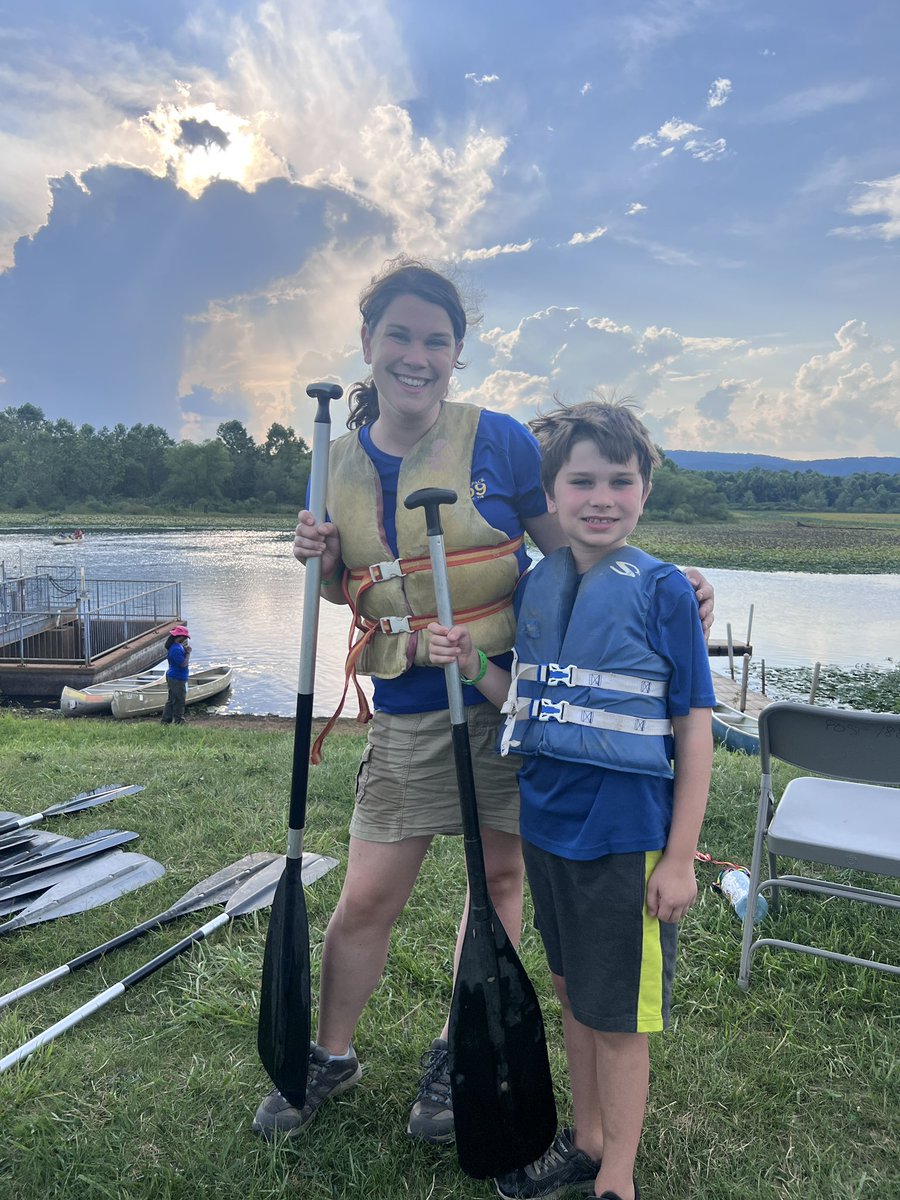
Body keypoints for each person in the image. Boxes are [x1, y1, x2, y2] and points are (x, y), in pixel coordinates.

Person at [252, 259, 715, 1148]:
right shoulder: (332, 462)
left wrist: (665, 583)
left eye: (436, 340)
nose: (417, 356)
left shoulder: (499, 440)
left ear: (457, 353)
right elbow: (352, 585)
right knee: (368, 897)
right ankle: (330, 1055)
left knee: (500, 879)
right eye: (401, 336)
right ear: (369, 344)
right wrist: (313, 552)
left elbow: (576, 548)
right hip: (412, 706)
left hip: (514, 703)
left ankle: (454, 1052)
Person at [427, 399, 716, 1200]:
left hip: (625, 840)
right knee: (575, 999)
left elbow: (695, 731)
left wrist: (682, 856)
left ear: (644, 491)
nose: (600, 498)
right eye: (581, 481)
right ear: (549, 495)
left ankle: (615, 1180)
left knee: (619, 1019)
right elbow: (525, 698)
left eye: (619, 481)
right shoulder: (538, 584)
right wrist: (469, 665)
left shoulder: (663, 592)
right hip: (546, 830)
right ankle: (586, 1141)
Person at [160, 625, 191, 725]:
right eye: (185, 637)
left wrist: (185, 651)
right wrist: (188, 653)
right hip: (177, 678)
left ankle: (166, 720)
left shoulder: (177, 647)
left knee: (172, 699)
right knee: (179, 700)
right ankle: (179, 721)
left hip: (174, 677)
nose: (186, 639)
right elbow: (183, 664)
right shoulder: (176, 649)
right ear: (180, 636)